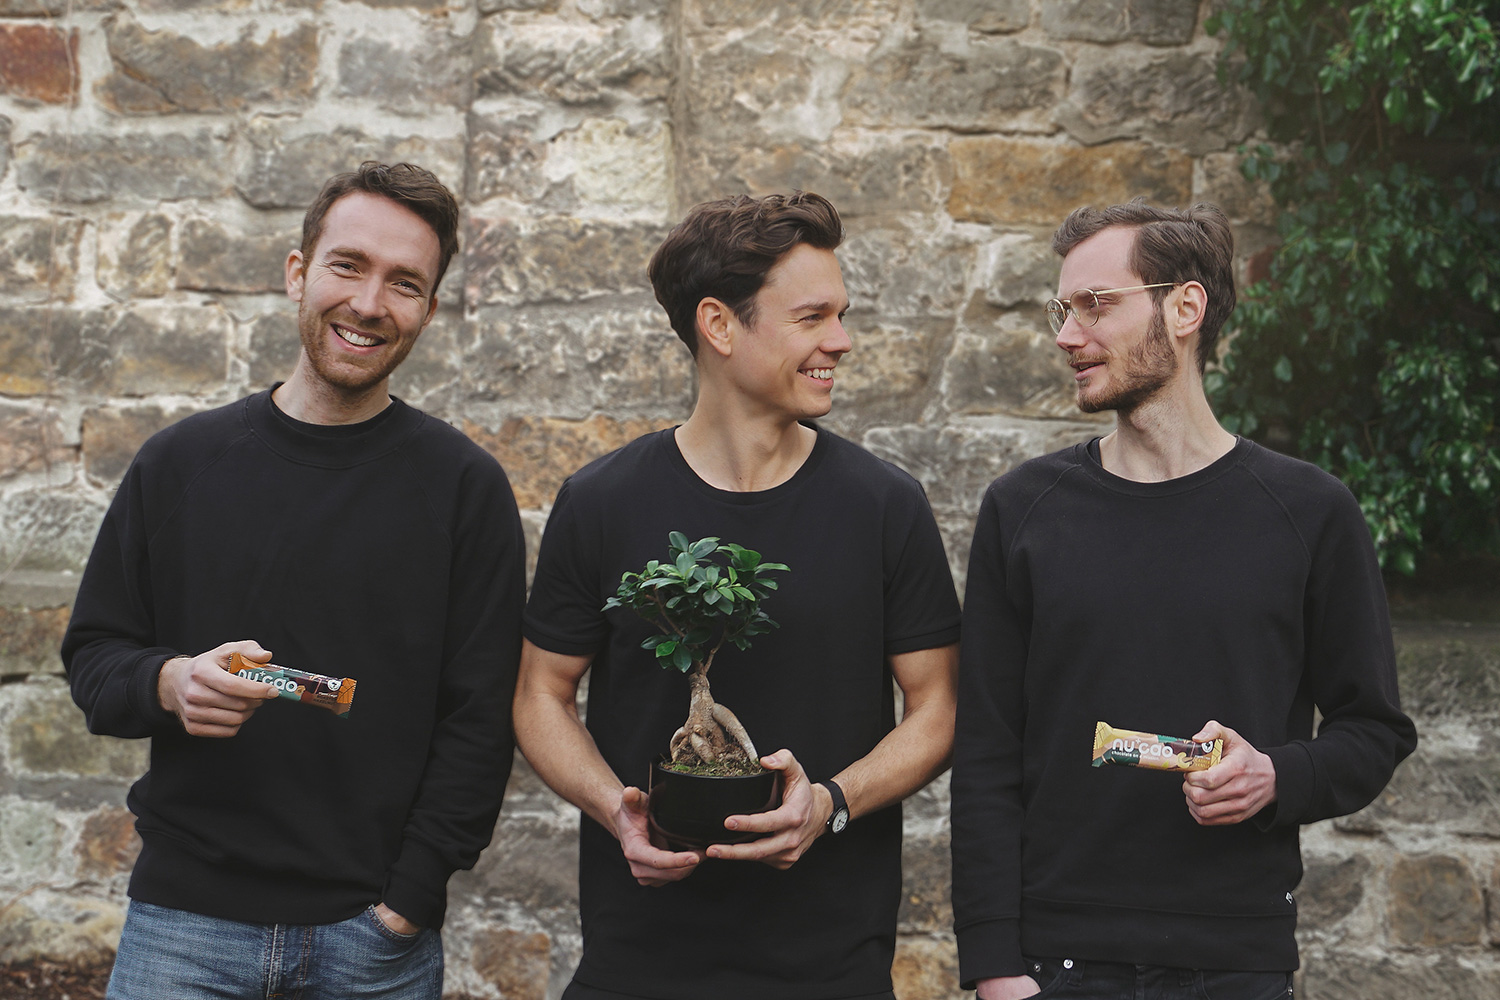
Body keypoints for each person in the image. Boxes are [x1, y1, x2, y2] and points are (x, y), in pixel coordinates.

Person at [62, 161, 526, 1000]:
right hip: (183, 929)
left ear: (427, 308)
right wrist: (169, 682)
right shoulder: (181, 465)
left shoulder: (465, 490)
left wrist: (409, 903)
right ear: (298, 272)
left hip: (373, 945)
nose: (369, 303)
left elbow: (481, 719)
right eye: (348, 266)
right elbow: (95, 657)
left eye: (405, 283)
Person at [950, 200, 1418, 1000]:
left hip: (1235, 960)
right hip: (1056, 963)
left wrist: (1274, 776)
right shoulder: (1024, 508)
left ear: (1186, 307)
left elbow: (1373, 731)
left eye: (1097, 305)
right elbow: (987, 753)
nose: (1067, 334)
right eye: (1063, 310)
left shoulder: (1309, 513)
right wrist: (994, 969)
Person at [515, 191, 962, 1000]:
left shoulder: (884, 506)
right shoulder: (602, 501)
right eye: (812, 318)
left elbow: (939, 709)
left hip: (831, 970)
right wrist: (616, 807)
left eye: (842, 315)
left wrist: (829, 802)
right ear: (720, 326)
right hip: (639, 967)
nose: (841, 341)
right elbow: (540, 695)